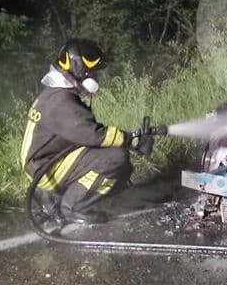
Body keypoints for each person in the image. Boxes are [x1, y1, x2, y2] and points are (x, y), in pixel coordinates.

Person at [21, 39, 151, 223]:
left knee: (122, 170)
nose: (95, 77)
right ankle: (72, 207)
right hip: (45, 168)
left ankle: (62, 196)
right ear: (78, 68)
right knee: (115, 159)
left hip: (44, 162)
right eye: (92, 72)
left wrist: (129, 139)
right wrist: (133, 140)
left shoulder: (56, 93)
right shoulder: (61, 100)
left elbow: (85, 132)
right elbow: (94, 135)